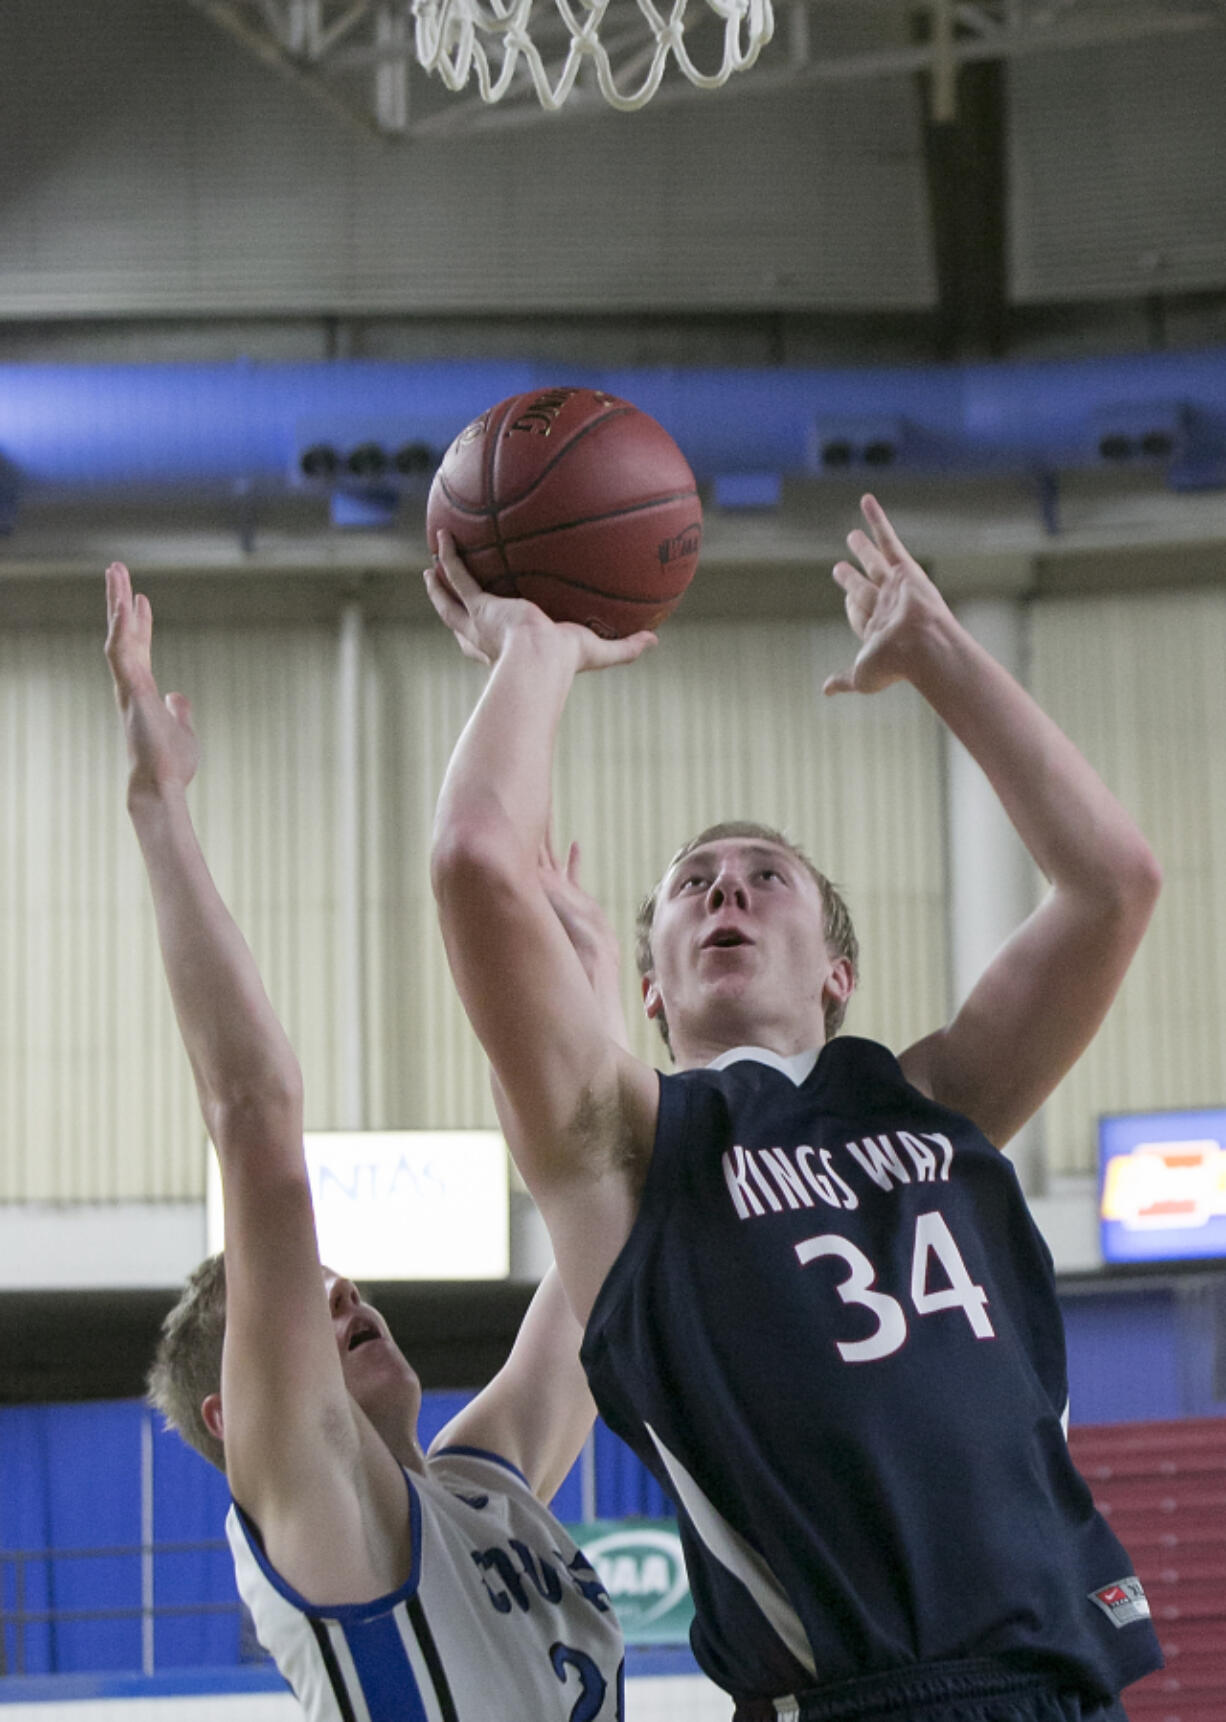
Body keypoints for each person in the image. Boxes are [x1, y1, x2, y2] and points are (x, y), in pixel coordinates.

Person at [425, 494, 1165, 1722]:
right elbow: (472, 862)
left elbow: (1112, 884)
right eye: (692, 888)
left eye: (766, 878)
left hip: (1061, 1690)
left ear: (836, 969)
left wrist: (938, 651)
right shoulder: (626, 1150)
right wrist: (538, 650)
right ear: (646, 987)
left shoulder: (932, 1100)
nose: (728, 892)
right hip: (863, 1698)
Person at [104, 563, 624, 1722]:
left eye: (335, 1291)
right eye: (301, 1310)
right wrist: (157, 808)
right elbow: (255, 1118)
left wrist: (592, 1035)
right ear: (240, 1422)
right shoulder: (317, 1519)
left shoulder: (484, 1486)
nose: (341, 1298)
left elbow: (605, 1260)